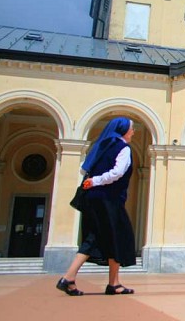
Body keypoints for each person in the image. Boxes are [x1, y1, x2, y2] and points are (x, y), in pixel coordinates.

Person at [56, 117, 137, 296]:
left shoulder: (101, 145)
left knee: (101, 237)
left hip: (93, 199)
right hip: (109, 200)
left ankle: (112, 284)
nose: (133, 132)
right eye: (131, 129)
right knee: (113, 236)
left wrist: (93, 181)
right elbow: (117, 173)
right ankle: (69, 278)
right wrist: (96, 181)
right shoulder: (123, 148)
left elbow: (84, 169)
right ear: (123, 130)